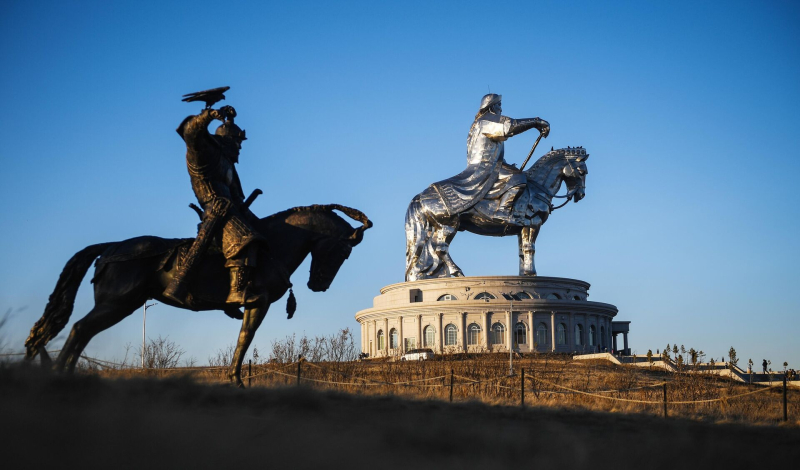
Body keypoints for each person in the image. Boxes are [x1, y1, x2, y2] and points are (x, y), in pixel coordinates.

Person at [163, 105, 267, 306]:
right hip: (215, 210)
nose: (240, 146)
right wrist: (209, 115)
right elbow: (191, 133)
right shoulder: (204, 153)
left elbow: (237, 200)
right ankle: (237, 292)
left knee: (257, 234)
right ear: (227, 140)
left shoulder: (228, 167)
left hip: (230, 210)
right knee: (244, 238)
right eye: (237, 141)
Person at [431, 94, 549, 224]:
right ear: (491, 107)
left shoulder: (478, 124)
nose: (501, 109)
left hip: (487, 164)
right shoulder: (488, 120)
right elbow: (510, 126)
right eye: (499, 105)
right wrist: (535, 121)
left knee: (513, 173)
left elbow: (488, 152)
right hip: (485, 167)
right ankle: (502, 211)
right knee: (518, 178)